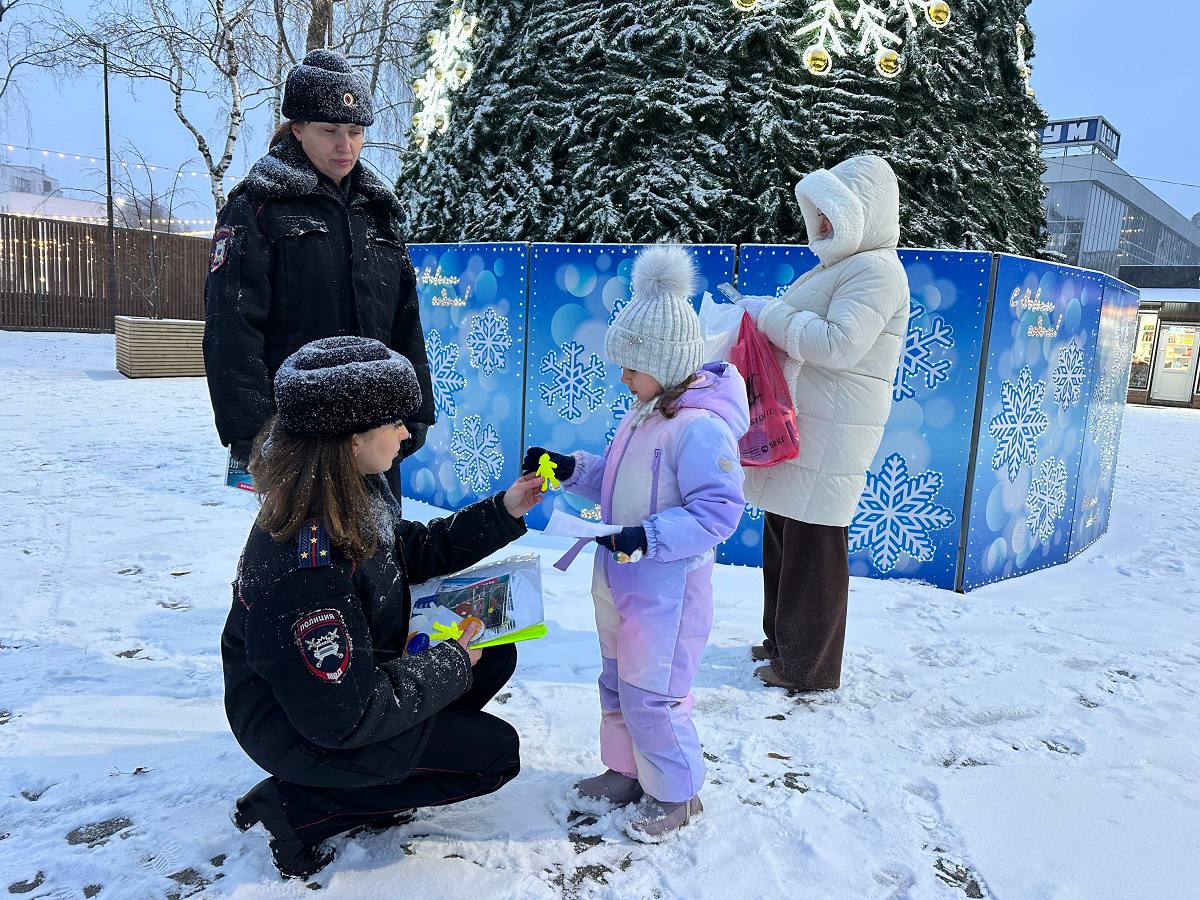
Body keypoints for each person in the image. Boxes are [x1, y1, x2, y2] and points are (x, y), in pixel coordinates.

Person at [221, 335, 544, 879]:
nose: (406, 432)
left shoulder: (349, 487)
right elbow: (344, 718)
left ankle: (387, 769)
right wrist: (447, 662)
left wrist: (503, 511)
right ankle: (300, 809)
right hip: (303, 727)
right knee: (494, 756)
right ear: (353, 437)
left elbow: (408, 550)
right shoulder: (306, 573)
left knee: (494, 654)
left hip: (344, 683)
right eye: (395, 421)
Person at [526, 245, 749, 842]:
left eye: (631, 366)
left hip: (666, 592)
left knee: (654, 694)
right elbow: (619, 480)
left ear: (665, 362)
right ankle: (627, 771)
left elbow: (718, 511)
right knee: (617, 681)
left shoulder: (700, 429)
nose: (622, 377)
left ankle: (677, 793)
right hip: (620, 578)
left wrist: (645, 538)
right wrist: (569, 468)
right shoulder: (645, 413)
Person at [202, 49, 434, 502]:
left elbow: (405, 320)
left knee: (381, 540)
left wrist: (415, 407)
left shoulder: (378, 212)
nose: (345, 146)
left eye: (355, 132)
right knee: (307, 547)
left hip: (375, 435)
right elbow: (231, 327)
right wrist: (254, 433)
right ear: (298, 128)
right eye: (329, 131)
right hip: (299, 439)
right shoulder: (257, 208)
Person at [733, 154, 909, 691]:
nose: (824, 223)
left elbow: (839, 344)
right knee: (784, 534)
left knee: (814, 547)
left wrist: (769, 314)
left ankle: (808, 668)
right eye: (821, 212)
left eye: (836, 212)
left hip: (834, 429)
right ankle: (782, 644)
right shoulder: (838, 268)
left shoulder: (876, 271)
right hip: (806, 424)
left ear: (866, 213)